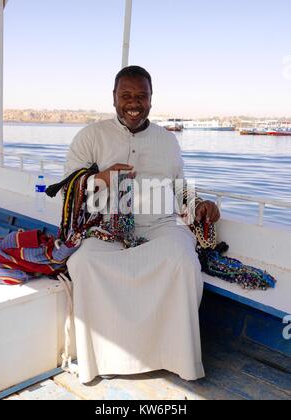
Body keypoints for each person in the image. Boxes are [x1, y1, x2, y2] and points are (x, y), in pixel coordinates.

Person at [65, 66, 220, 384]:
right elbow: (68, 187)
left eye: (141, 96)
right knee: (83, 262)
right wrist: (102, 177)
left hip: (160, 223)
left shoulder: (167, 141)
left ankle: (177, 358)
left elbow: (180, 190)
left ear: (151, 99)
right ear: (114, 98)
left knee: (183, 261)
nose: (133, 103)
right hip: (106, 225)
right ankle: (103, 357)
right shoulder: (92, 135)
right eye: (126, 95)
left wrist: (200, 205)